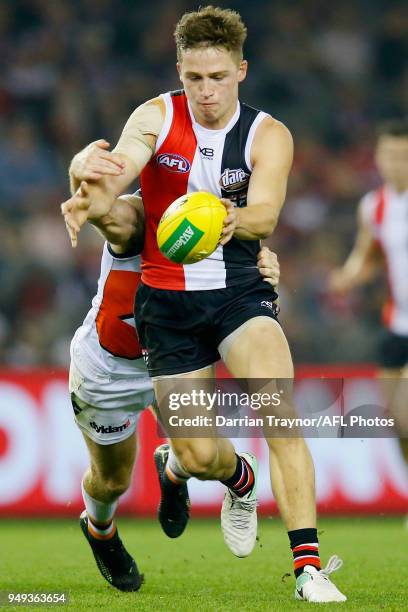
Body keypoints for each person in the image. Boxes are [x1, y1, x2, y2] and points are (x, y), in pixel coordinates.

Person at [63, 6, 346, 602]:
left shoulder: (269, 134)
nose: (207, 91)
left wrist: (232, 221)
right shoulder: (156, 118)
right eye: (195, 78)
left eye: (218, 77)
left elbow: (267, 211)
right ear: (179, 72)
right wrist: (87, 190)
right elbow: (123, 166)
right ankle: (173, 477)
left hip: (239, 294)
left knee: (280, 413)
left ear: (241, 70)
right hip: (161, 312)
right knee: (181, 457)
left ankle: (308, 569)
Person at [67, 143, 281, 592]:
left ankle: (189, 471)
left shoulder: (217, 224)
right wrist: (78, 178)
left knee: (201, 457)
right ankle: (99, 530)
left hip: (173, 360)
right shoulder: (136, 216)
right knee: (111, 481)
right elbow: (107, 214)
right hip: (111, 370)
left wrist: (264, 265)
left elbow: (249, 275)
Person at [329, 118, 408, 469]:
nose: (395, 164)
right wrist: (346, 277)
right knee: (397, 423)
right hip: (396, 324)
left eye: (403, 156)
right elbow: (368, 255)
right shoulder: (374, 206)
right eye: (389, 155)